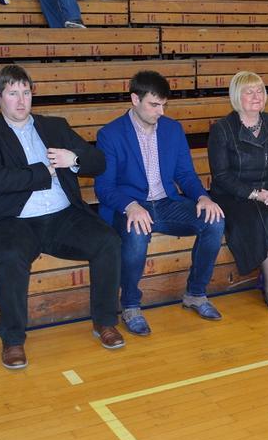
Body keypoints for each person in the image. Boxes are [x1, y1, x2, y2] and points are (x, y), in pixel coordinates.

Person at [0, 65, 124, 367]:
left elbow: (98, 162)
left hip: (63, 216)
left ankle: (105, 322)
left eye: (26, 92)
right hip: (12, 221)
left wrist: (74, 159)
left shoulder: (54, 126)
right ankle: (13, 339)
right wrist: (46, 171)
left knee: (108, 241)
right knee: (9, 256)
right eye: (13, 93)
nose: (21, 100)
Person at [95, 71, 226, 336]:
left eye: (164, 105)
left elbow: (185, 175)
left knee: (215, 221)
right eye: (154, 105)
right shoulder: (110, 134)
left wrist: (203, 197)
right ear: (135, 99)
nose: (161, 112)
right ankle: (130, 305)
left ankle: (196, 294)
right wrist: (130, 206)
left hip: (166, 202)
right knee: (136, 232)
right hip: (130, 206)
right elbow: (104, 188)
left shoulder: (172, 129)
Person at [207, 72, 268, 314]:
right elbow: (222, 176)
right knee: (264, 219)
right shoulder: (222, 129)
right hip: (235, 195)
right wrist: (256, 194)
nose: (256, 96)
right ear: (236, 96)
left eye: (259, 90)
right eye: (249, 92)